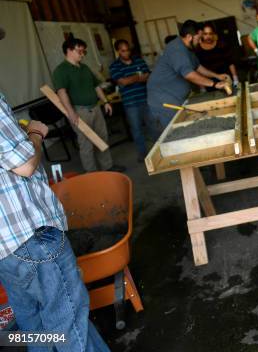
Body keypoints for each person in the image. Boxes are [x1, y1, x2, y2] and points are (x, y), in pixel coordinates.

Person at [0, 26, 110, 352]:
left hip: (5, 246)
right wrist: (35, 133)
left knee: (37, 330)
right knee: (68, 327)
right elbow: (23, 165)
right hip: (30, 238)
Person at [147, 20, 231, 137]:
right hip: (164, 100)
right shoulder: (177, 49)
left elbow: (197, 67)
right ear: (189, 37)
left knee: (184, 129)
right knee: (174, 134)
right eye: (199, 38)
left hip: (175, 97)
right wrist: (214, 84)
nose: (200, 41)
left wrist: (217, 76)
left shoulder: (188, 49)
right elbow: (189, 74)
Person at [52, 37, 124, 173]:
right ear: (69, 50)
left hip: (95, 108)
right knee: (86, 144)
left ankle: (108, 166)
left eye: (84, 52)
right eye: (80, 51)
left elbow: (96, 86)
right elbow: (62, 93)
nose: (83, 54)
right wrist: (71, 113)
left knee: (102, 138)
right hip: (80, 112)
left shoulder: (84, 67)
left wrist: (106, 102)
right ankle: (92, 174)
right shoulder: (61, 71)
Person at [109, 39, 150, 162]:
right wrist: (138, 77)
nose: (126, 53)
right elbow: (122, 81)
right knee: (137, 130)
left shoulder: (139, 60)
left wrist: (130, 79)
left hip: (145, 99)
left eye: (127, 50)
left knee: (152, 126)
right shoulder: (114, 66)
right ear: (118, 51)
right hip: (130, 103)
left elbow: (147, 76)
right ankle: (143, 155)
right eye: (123, 51)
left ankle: (160, 151)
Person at [195, 21, 239, 89]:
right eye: (205, 34)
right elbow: (198, 69)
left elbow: (230, 63)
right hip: (209, 83)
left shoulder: (221, 45)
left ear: (213, 34)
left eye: (210, 33)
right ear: (201, 35)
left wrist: (235, 78)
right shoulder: (198, 49)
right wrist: (202, 87)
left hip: (226, 79)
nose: (208, 36)